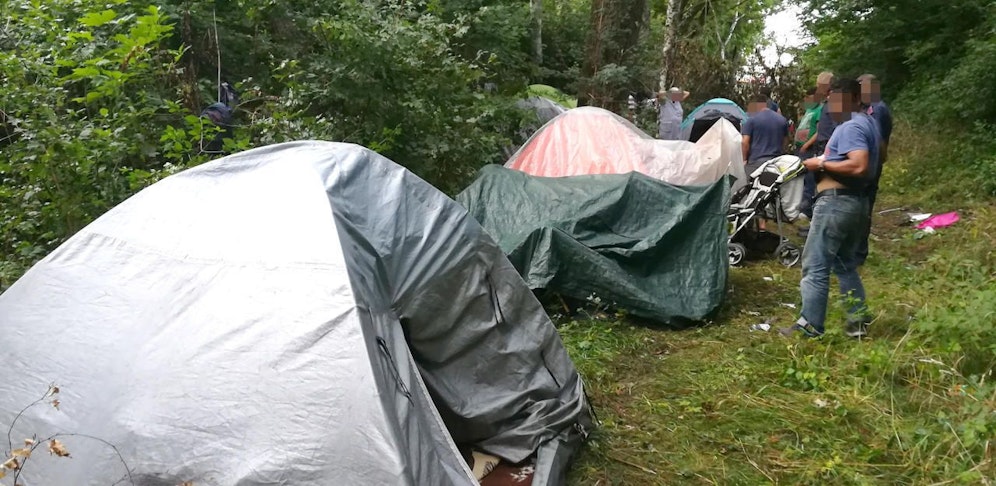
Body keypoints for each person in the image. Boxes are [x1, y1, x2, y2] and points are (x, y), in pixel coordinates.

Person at [781, 78, 881, 339]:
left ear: (856, 100)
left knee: (814, 265)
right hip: (856, 203)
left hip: (836, 203)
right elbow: (880, 155)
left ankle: (810, 325)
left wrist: (821, 165)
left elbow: (858, 165)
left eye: (840, 100)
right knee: (845, 264)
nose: (833, 106)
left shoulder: (850, 126)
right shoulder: (869, 123)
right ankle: (857, 323)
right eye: (831, 100)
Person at [855, 74, 892, 264]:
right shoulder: (869, 107)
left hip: (869, 164)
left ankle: (858, 253)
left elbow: (876, 138)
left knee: (863, 206)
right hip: (869, 162)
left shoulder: (876, 108)